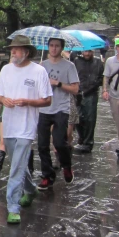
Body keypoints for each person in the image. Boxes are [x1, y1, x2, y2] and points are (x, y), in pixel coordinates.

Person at [0, 36, 52, 225]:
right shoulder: (5, 69)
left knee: (16, 167)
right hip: (9, 124)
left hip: (27, 126)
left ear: (26, 52)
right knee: (17, 164)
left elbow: (47, 99)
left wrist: (28, 102)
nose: (13, 52)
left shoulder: (39, 71)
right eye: (12, 49)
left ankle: (13, 207)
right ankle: (31, 189)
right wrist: (4, 101)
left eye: (17, 50)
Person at [36, 37, 80, 190]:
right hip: (44, 108)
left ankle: (66, 165)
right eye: (51, 46)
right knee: (42, 145)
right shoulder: (42, 66)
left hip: (61, 108)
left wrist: (58, 83)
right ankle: (47, 176)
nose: (54, 49)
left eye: (57, 46)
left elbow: (75, 89)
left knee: (60, 142)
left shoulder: (69, 66)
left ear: (62, 48)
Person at [73, 49, 104, 153]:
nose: (87, 54)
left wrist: (94, 85)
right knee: (77, 117)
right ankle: (82, 137)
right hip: (78, 93)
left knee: (90, 118)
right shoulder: (76, 61)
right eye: (86, 51)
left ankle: (88, 142)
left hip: (91, 93)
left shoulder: (98, 62)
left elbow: (101, 78)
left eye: (90, 51)